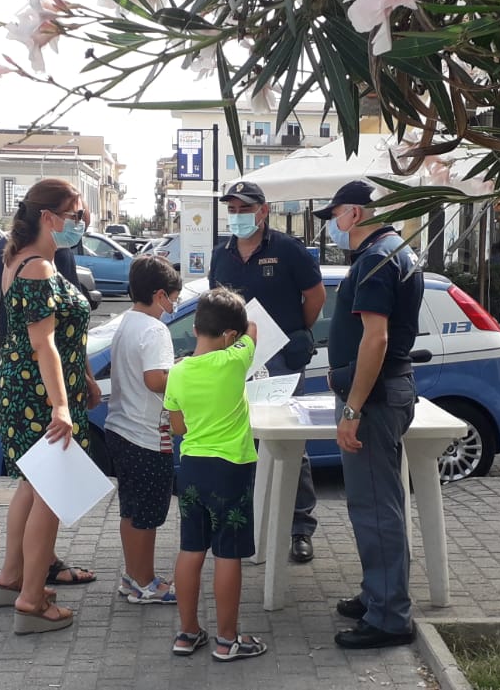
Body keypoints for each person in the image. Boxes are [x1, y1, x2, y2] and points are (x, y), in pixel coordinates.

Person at [314, 180, 424, 650]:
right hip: (383, 393)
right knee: (381, 504)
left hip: (374, 401)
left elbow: (375, 339)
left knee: (376, 508)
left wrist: (353, 407)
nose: (333, 225)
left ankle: (389, 617)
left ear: (354, 214)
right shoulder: (392, 251)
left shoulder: (379, 260)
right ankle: (377, 594)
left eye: (334, 215)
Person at [0, 179, 98, 634]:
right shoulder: (38, 268)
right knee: (49, 493)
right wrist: (61, 406)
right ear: (48, 218)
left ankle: (13, 580)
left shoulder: (15, 257)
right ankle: (32, 602)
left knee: (32, 488)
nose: (82, 224)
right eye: (76, 216)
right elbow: (44, 344)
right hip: (40, 394)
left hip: (23, 389)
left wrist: (84, 378)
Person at [207, 180, 326, 564]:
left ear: (263, 211)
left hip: (281, 362)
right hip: (238, 362)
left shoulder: (288, 251)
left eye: (245, 208)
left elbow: (317, 296)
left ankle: (299, 528)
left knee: (291, 445)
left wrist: (296, 334)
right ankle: (247, 524)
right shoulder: (220, 255)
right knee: (243, 443)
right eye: (233, 209)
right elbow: (216, 306)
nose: (238, 215)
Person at [164, 288, 268, 662]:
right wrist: (238, 335)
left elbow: (178, 428)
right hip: (231, 468)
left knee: (191, 548)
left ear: (194, 328)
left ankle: (187, 632)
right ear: (229, 337)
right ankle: (227, 640)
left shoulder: (176, 372)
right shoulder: (235, 361)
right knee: (228, 552)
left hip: (191, 467)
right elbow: (252, 329)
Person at [104, 256, 183, 605]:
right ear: (161, 294)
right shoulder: (155, 329)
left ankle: (133, 576)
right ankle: (146, 582)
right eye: (173, 298)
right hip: (147, 434)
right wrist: (185, 375)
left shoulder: (127, 322)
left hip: (120, 428)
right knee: (147, 515)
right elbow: (156, 379)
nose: (174, 306)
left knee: (131, 510)